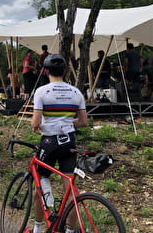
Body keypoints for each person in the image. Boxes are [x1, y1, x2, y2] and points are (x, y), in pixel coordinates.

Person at [31, 54, 88, 233]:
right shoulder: (76, 92)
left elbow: (35, 123)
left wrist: (38, 126)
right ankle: (70, 230)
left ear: (46, 71)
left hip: (49, 143)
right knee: (70, 189)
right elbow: (83, 122)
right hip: (69, 142)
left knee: (40, 183)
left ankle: (38, 227)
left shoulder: (42, 91)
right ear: (65, 71)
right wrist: (68, 123)